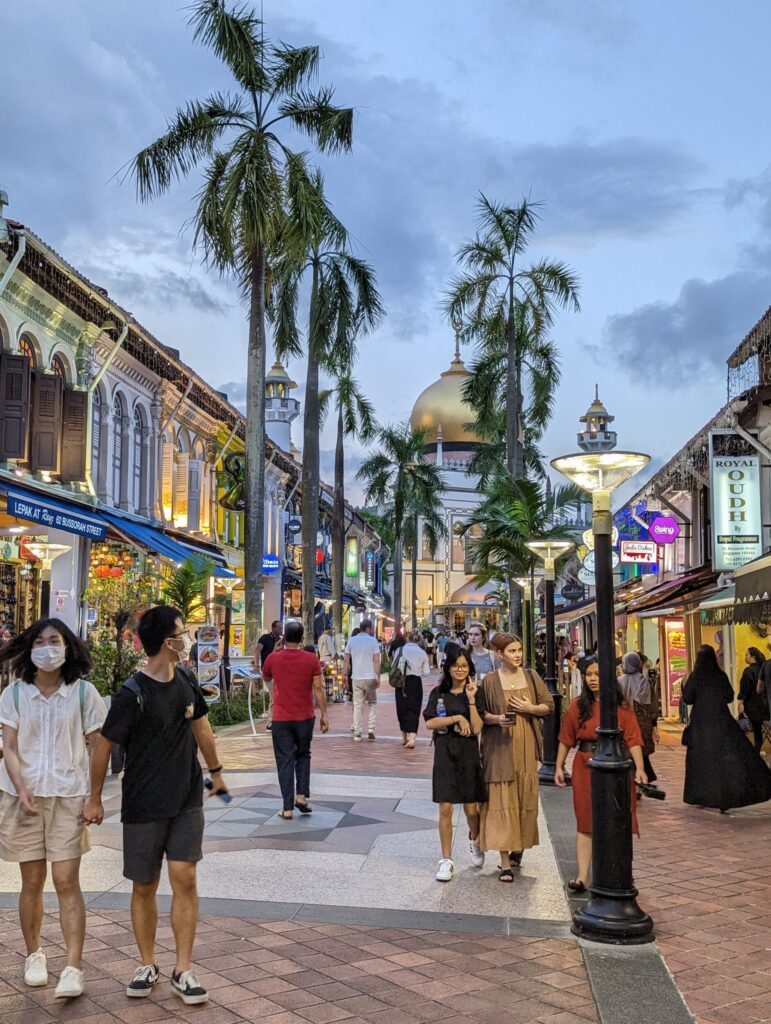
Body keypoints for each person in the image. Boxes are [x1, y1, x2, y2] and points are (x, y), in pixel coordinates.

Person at [84, 606, 229, 1007]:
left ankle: (183, 968)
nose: (187, 638)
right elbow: (103, 747)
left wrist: (216, 771)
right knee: (144, 885)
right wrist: (94, 798)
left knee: (185, 878)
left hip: (186, 797)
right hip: (144, 802)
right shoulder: (132, 693)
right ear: (169, 643)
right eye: (182, 633)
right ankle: (147, 963)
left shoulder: (185, 678)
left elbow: (201, 724)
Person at [0, 618, 106, 999]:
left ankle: (73, 966)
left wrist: (95, 796)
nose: (47, 648)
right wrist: (21, 786)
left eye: (55, 640)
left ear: (67, 647)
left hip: (68, 796)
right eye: (40, 641)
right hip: (22, 798)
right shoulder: (14, 694)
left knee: (65, 880)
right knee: (31, 882)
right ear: (29, 648)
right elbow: (8, 747)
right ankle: (34, 955)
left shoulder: (83, 693)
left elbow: (98, 746)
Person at [555, 656, 647, 892]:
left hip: (616, 766)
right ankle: (583, 876)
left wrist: (640, 769)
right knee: (586, 821)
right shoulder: (578, 705)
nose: (593, 679)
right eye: (589, 675)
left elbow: (634, 738)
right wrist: (558, 765)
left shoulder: (621, 706)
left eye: (598, 674)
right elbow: (566, 737)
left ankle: (622, 873)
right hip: (585, 765)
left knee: (618, 821)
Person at [476, 633, 553, 881]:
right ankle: (504, 861)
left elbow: (548, 705)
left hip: (526, 746)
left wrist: (530, 709)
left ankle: (518, 845)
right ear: (499, 654)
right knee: (501, 797)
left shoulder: (531, 676)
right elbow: (480, 714)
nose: (517, 655)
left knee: (523, 795)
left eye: (519, 650)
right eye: (511, 651)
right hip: (499, 747)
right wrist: (497, 719)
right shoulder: (489, 681)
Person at [682, 645, 771, 812]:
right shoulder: (720, 675)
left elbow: (688, 698)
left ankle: (700, 795)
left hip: (700, 725)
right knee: (723, 760)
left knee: (701, 761)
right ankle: (725, 797)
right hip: (722, 722)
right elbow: (729, 696)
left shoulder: (695, 677)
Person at [424, 647, 486, 881]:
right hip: (444, 753)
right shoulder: (438, 693)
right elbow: (430, 723)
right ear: (448, 667)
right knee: (445, 807)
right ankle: (446, 860)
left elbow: (478, 727)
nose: (460, 670)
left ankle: (475, 839)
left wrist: (470, 701)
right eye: (456, 665)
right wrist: (457, 718)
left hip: (468, 754)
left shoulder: (474, 693)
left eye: (464, 665)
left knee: (472, 809)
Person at [262, 620, 329, 818]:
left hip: (281, 718)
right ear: (301, 638)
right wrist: (325, 713)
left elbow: (265, 677)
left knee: (284, 760)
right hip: (305, 716)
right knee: (303, 754)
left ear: (284, 638)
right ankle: (301, 796)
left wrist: (274, 689)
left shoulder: (273, 659)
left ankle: (287, 808)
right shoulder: (311, 659)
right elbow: (319, 687)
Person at [617, 652, 659, 783]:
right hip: (641, 722)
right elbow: (647, 703)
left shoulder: (618, 681)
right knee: (639, 749)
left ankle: (634, 778)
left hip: (623, 720)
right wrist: (653, 725)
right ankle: (640, 778)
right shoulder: (643, 680)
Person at [343, 619, 381, 742]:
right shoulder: (373, 640)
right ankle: (371, 728)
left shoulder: (351, 640)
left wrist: (344, 675)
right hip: (370, 676)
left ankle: (357, 733)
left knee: (357, 705)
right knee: (372, 703)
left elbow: (346, 660)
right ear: (369, 628)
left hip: (356, 677)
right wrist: (378, 676)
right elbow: (376, 660)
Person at [397, 630, 431, 748]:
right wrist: (418, 669)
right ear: (419, 640)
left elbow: (394, 666)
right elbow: (426, 672)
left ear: (408, 638)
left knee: (402, 708)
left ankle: (404, 737)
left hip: (401, 682)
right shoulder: (422, 653)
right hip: (415, 682)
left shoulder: (400, 650)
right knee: (414, 709)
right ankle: (412, 738)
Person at [253, 620, 283, 732]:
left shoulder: (281, 640)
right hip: (268, 672)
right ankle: (270, 722)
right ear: (273, 628)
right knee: (273, 696)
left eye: (282, 628)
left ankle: (277, 720)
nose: (281, 630)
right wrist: (256, 665)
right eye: (279, 628)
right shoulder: (264, 638)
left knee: (277, 696)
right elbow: (257, 651)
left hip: (279, 671)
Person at [738, 647, 768, 754]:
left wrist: (741, 702)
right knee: (758, 730)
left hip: (752, 706)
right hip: (765, 707)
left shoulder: (749, 671)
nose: (745, 657)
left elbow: (745, 689)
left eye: (747, 655)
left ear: (753, 657)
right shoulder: (764, 669)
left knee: (746, 727)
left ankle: (751, 752)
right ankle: (756, 750)